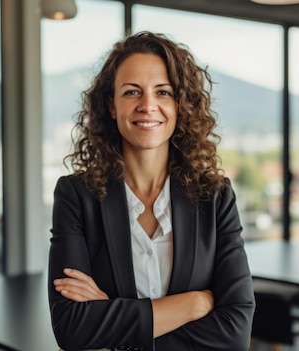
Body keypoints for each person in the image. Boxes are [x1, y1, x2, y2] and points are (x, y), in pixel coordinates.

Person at [48, 31, 255, 351]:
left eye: (163, 92)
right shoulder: (77, 196)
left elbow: (235, 332)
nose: (148, 105)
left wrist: (113, 323)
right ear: (112, 106)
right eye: (132, 92)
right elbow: (72, 328)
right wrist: (195, 304)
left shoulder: (214, 197)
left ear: (180, 105)